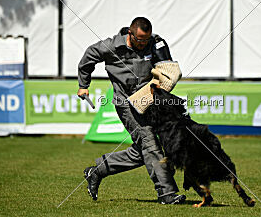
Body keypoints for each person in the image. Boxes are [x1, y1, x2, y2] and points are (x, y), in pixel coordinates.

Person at [77, 17, 186, 204]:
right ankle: (166, 194)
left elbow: (167, 67)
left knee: (142, 150)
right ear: (130, 33)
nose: (144, 43)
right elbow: (88, 57)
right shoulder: (111, 46)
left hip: (148, 99)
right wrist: (83, 85)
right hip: (126, 104)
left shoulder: (154, 43)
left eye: (147, 39)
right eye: (140, 40)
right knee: (149, 143)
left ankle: (98, 171)